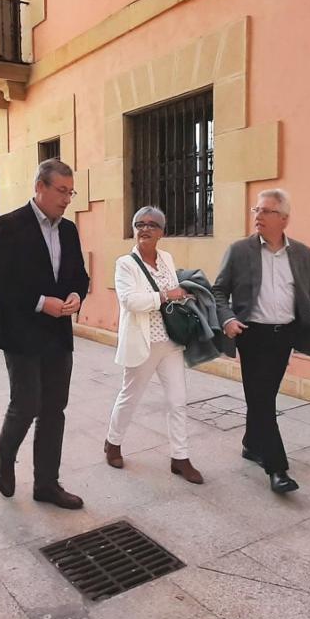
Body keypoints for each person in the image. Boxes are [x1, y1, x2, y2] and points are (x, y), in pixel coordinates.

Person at [0, 158, 90, 510]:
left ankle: (47, 483)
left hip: (58, 333)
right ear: (39, 187)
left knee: (54, 408)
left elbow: (80, 276)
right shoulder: (9, 225)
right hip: (21, 331)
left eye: (70, 192)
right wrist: (42, 302)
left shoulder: (69, 230)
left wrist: (76, 294)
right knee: (26, 404)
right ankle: (5, 456)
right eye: (61, 191)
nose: (66, 199)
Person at [212, 188, 310, 494]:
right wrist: (227, 319)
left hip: (285, 336)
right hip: (251, 335)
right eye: (256, 210)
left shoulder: (302, 253)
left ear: (283, 219)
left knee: (264, 395)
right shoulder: (240, 250)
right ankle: (277, 469)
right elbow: (218, 290)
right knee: (263, 401)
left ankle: (252, 444)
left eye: (265, 211)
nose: (258, 216)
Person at [104, 206, 204, 484]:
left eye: (151, 224)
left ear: (162, 232)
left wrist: (183, 296)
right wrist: (164, 295)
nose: (145, 228)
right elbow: (129, 301)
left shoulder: (168, 259)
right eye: (139, 224)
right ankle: (113, 442)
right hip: (142, 343)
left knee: (178, 401)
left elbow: (173, 293)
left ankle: (180, 458)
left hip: (171, 342)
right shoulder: (125, 263)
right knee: (130, 397)